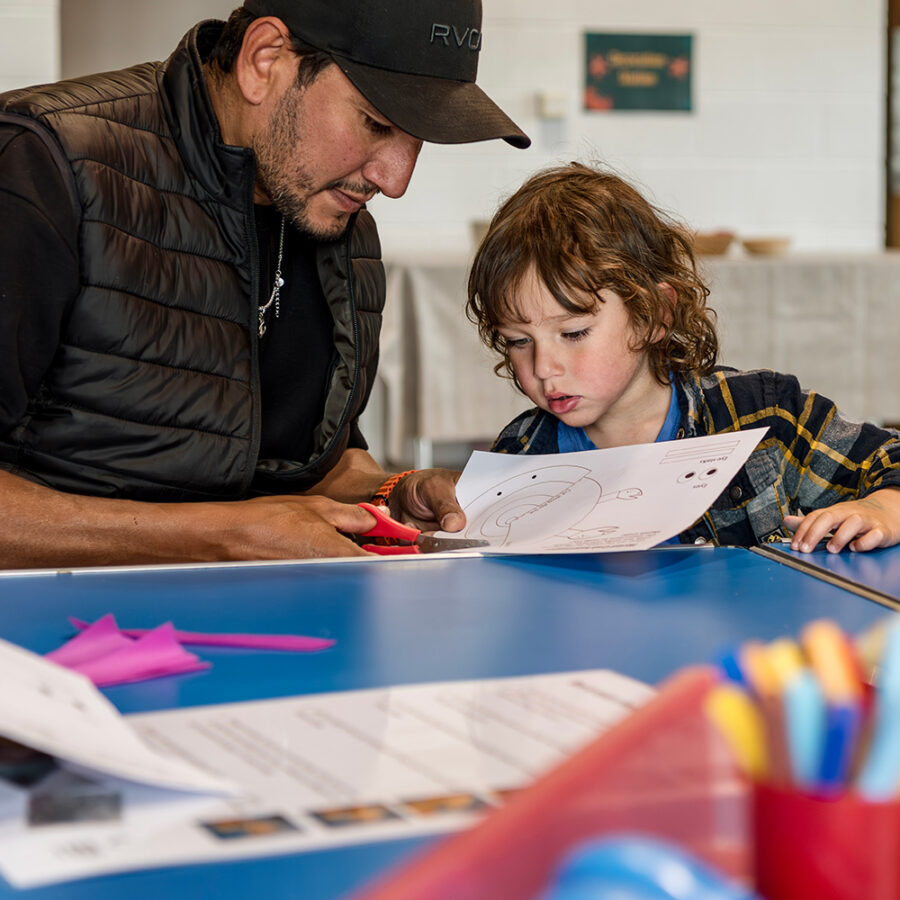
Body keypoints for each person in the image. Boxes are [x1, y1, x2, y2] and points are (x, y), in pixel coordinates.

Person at [0, 0, 529, 568]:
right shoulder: (39, 164)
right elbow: (238, 523)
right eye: (376, 123)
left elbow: (303, 465)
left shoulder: (336, 221)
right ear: (264, 58)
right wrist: (222, 535)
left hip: (262, 634)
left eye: (419, 140)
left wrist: (387, 492)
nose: (395, 180)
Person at [466, 163, 900, 553]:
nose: (543, 368)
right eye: (517, 341)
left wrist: (884, 507)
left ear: (654, 314)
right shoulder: (521, 454)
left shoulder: (767, 415)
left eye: (574, 332)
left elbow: (890, 461)